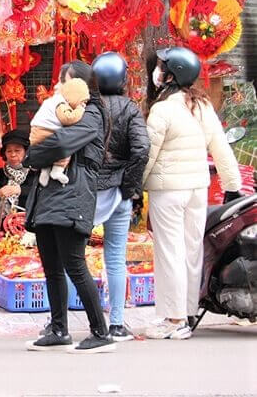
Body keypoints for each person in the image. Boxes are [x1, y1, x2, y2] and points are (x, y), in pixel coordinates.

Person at [142, 47, 242, 340]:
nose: (157, 72)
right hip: (198, 189)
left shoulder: (162, 110)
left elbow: (147, 156)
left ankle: (173, 320)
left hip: (168, 191)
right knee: (191, 251)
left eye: (162, 68)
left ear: (171, 75)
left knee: (169, 253)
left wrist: (134, 187)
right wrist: (232, 186)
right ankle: (186, 313)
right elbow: (221, 148)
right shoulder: (202, 106)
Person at [24, 61, 114, 354]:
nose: (59, 87)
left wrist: (34, 153)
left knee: (74, 264)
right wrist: (36, 154)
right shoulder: (64, 111)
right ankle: (58, 329)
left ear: (80, 85)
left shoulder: (92, 113)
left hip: (73, 194)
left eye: (64, 81)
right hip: (50, 195)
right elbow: (48, 147)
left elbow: (61, 144)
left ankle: (100, 332)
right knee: (51, 267)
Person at [91, 52, 150, 342]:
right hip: (118, 192)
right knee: (115, 258)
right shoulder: (130, 109)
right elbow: (141, 149)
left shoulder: (87, 108)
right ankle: (116, 323)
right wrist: (130, 185)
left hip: (87, 192)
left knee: (72, 258)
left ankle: (61, 321)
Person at [30, 77, 90, 186]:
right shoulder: (60, 103)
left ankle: (45, 171)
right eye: (82, 101)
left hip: (37, 132)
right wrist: (80, 109)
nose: (84, 104)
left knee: (48, 154)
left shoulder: (53, 100)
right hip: (46, 132)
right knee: (65, 149)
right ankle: (57, 171)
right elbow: (68, 118)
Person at [0, 129, 35, 221]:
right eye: (9, 151)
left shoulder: (35, 174)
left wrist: (19, 190)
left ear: (26, 152)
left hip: (28, 225)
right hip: (1, 225)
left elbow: (41, 193)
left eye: (17, 150)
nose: (13, 154)